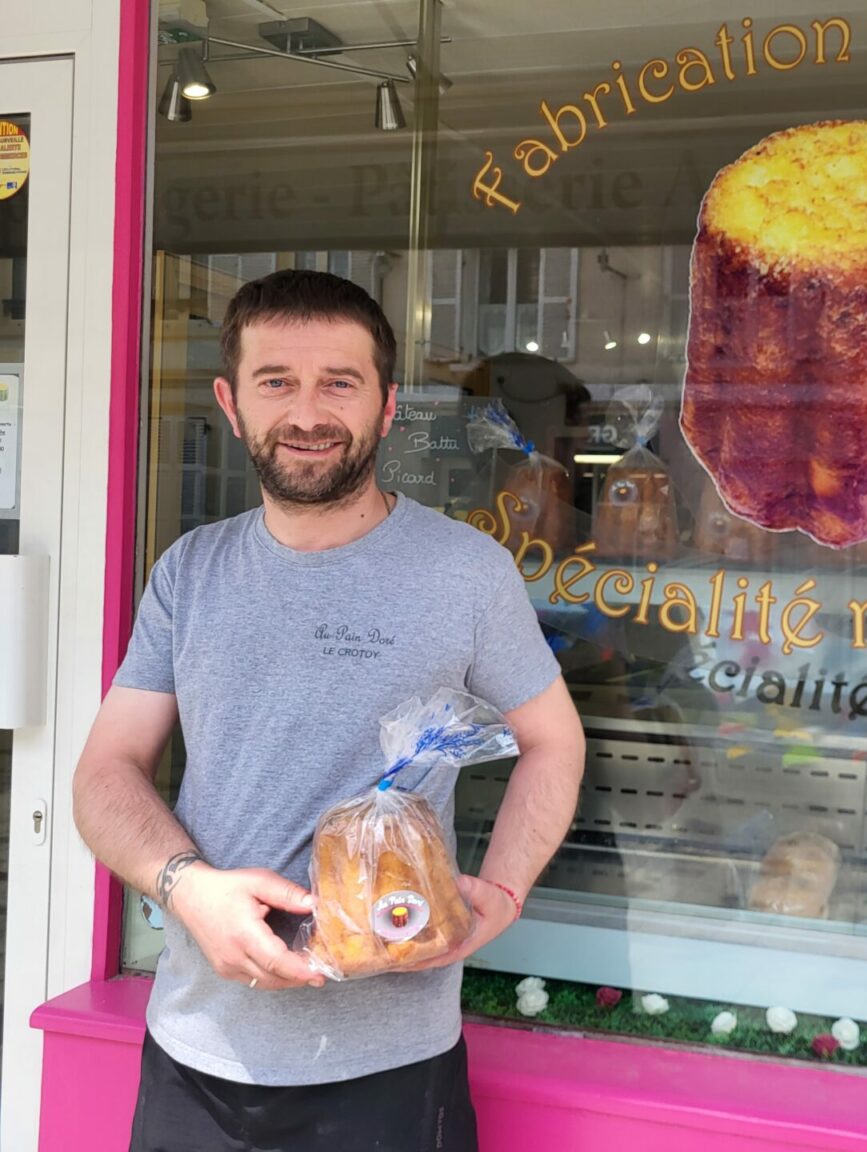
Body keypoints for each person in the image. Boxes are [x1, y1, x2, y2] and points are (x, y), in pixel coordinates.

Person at [72, 269, 586, 1151]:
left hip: (391, 1073)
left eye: (338, 383)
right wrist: (186, 888)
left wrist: (500, 895)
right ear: (232, 404)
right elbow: (104, 774)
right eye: (277, 382)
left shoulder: (464, 572)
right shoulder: (189, 571)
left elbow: (553, 743)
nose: (307, 413)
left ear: (387, 407)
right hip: (195, 1051)